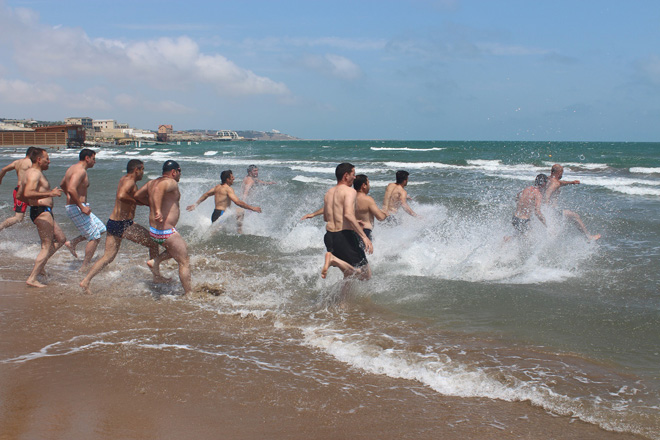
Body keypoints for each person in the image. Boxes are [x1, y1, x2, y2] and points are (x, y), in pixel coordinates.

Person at [79, 159, 169, 294]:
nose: (143, 173)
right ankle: (156, 277)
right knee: (153, 243)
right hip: (124, 224)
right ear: (136, 170)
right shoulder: (130, 182)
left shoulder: (124, 179)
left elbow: (127, 196)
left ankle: (86, 281)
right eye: (142, 169)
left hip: (113, 222)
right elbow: (122, 196)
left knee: (108, 257)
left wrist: (144, 202)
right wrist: (138, 202)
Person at [134, 160, 192, 296]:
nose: (180, 175)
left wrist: (150, 205)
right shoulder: (170, 182)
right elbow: (159, 190)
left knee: (181, 247)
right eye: (179, 172)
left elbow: (137, 196)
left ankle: (156, 261)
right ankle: (189, 294)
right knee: (184, 261)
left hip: (154, 231)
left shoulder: (151, 182)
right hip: (166, 231)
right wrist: (158, 210)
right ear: (174, 172)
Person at [17, 148, 72, 287]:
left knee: (61, 239)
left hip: (42, 210)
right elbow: (28, 192)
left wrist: (33, 202)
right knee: (46, 246)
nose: (49, 161)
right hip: (41, 212)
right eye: (47, 158)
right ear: (39, 160)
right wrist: (50, 194)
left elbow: (19, 195)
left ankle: (40, 267)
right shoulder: (34, 174)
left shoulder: (30, 173)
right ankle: (33, 277)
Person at [321, 163, 373, 280]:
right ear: (346, 175)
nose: (355, 178)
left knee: (348, 274)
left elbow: (326, 218)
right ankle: (333, 260)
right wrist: (364, 237)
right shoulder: (350, 191)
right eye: (353, 174)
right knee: (365, 275)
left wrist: (353, 221)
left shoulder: (328, 193)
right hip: (344, 237)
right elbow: (348, 214)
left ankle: (342, 299)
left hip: (330, 237)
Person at [60, 148, 107, 271]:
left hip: (76, 206)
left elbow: (62, 185)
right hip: (78, 207)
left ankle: (73, 243)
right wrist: (81, 206)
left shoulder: (72, 168)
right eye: (93, 159)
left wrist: (70, 199)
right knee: (95, 237)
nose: (94, 162)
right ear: (87, 158)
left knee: (101, 228)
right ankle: (84, 267)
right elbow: (70, 188)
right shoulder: (80, 171)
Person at [544, 164, 600, 241]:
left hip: (548, 209)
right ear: (559, 172)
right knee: (574, 216)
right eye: (561, 172)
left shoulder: (548, 179)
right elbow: (548, 193)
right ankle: (588, 237)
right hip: (552, 210)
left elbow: (560, 183)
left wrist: (572, 182)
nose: (562, 175)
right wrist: (547, 209)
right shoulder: (555, 183)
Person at [186, 170, 262, 226]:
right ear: (227, 179)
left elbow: (206, 194)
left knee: (216, 235)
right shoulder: (228, 189)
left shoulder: (217, 187)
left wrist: (195, 204)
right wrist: (252, 208)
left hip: (215, 214)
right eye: (232, 177)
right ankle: (239, 233)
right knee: (241, 211)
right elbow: (237, 202)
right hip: (222, 215)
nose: (234, 178)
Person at [0, 147, 36, 231]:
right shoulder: (30, 163)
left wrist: (0, 179)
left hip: (19, 190)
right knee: (19, 217)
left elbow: (3, 169)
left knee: (40, 210)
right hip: (24, 191)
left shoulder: (17, 162)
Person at [236, 165, 275, 233]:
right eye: (254, 171)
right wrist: (243, 204)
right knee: (249, 221)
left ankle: (243, 232)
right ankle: (250, 233)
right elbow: (245, 192)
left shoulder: (249, 177)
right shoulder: (250, 180)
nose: (257, 172)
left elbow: (259, 182)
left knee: (243, 223)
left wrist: (269, 183)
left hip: (247, 204)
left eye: (257, 170)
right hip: (247, 205)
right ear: (250, 172)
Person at [353, 174, 388, 241]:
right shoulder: (368, 199)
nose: (369, 185)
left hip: (353, 232)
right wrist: (385, 214)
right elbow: (380, 217)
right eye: (368, 183)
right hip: (365, 232)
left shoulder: (350, 199)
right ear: (364, 185)